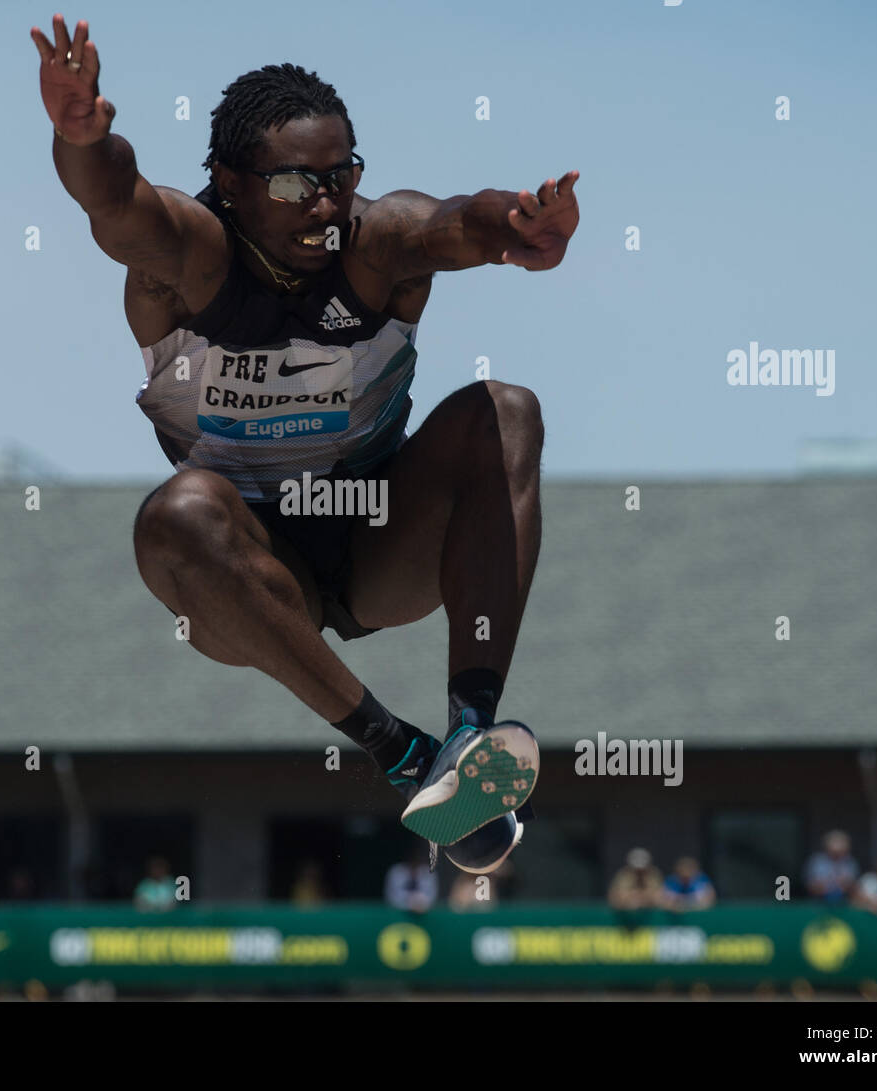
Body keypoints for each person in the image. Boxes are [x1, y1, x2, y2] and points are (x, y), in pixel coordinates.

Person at [31, 17, 581, 874]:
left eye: (340, 176)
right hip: (244, 569)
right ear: (231, 183)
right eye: (295, 184)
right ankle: (400, 752)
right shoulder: (188, 255)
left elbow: (451, 223)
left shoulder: (377, 243)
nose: (325, 205)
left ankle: (471, 739)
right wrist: (81, 138)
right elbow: (115, 203)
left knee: (504, 409)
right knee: (176, 512)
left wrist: (513, 226)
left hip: (374, 538)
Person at [805, 830, 859, 905]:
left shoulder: (850, 862)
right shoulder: (817, 861)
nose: (837, 855)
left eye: (840, 852)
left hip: (845, 903)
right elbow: (811, 885)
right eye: (834, 852)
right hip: (818, 903)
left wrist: (845, 884)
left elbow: (853, 886)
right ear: (827, 848)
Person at [384, 846, 438, 914]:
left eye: (418, 857)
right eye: (413, 857)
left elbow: (432, 896)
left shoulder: (428, 872)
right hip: (397, 913)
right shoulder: (396, 871)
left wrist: (420, 902)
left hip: (423, 913)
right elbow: (391, 896)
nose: (415, 859)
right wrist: (410, 902)